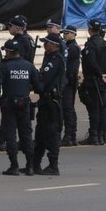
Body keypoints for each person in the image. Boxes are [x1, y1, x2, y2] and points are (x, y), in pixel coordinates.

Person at [0, 39, 41, 175]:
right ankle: (30, 166)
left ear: (9, 52)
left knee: (11, 135)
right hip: (24, 103)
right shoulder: (29, 66)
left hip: (9, 104)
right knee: (26, 135)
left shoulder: (3, 67)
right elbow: (38, 86)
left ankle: (14, 166)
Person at [79, 19, 106, 146]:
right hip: (104, 80)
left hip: (94, 80)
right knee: (102, 107)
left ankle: (95, 135)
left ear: (90, 30)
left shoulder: (91, 45)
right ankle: (102, 135)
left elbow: (92, 63)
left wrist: (100, 74)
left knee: (94, 109)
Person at [33, 34, 65, 175]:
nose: (45, 45)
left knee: (51, 133)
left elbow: (44, 80)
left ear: (54, 45)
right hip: (45, 101)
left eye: (47, 43)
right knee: (40, 133)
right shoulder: (49, 58)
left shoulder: (55, 60)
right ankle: (35, 164)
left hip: (51, 102)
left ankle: (53, 165)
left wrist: (34, 82)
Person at [60, 25, 81, 146]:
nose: (65, 35)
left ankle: (69, 135)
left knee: (68, 109)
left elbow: (69, 67)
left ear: (73, 34)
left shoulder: (72, 47)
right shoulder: (67, 46)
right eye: (64, 33)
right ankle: (70, 135)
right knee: (68, 109)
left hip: (69, 81)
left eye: (67, 33)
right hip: (68, 81)